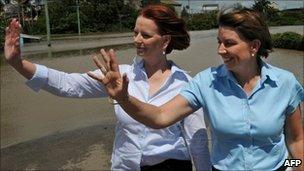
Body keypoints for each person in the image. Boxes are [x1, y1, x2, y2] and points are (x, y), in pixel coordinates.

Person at [87, 8, 304, 171]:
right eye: (219, 42)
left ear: (254, 46)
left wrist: (291, 167)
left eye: (229, 43)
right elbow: (161, 116)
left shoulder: (285, 83)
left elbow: (296, 142)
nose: (220, 50)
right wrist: (124, 98)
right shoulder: (206, 82)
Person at [4, 4, 211, 171]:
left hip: (172, 165)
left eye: (145, 35)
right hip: (126, 166)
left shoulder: (185, 84)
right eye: (135, 32)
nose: (137, 40)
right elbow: (67, 84)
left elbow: (198, 141)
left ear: (165, 41)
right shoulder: (119, 76)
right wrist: (18, 63)